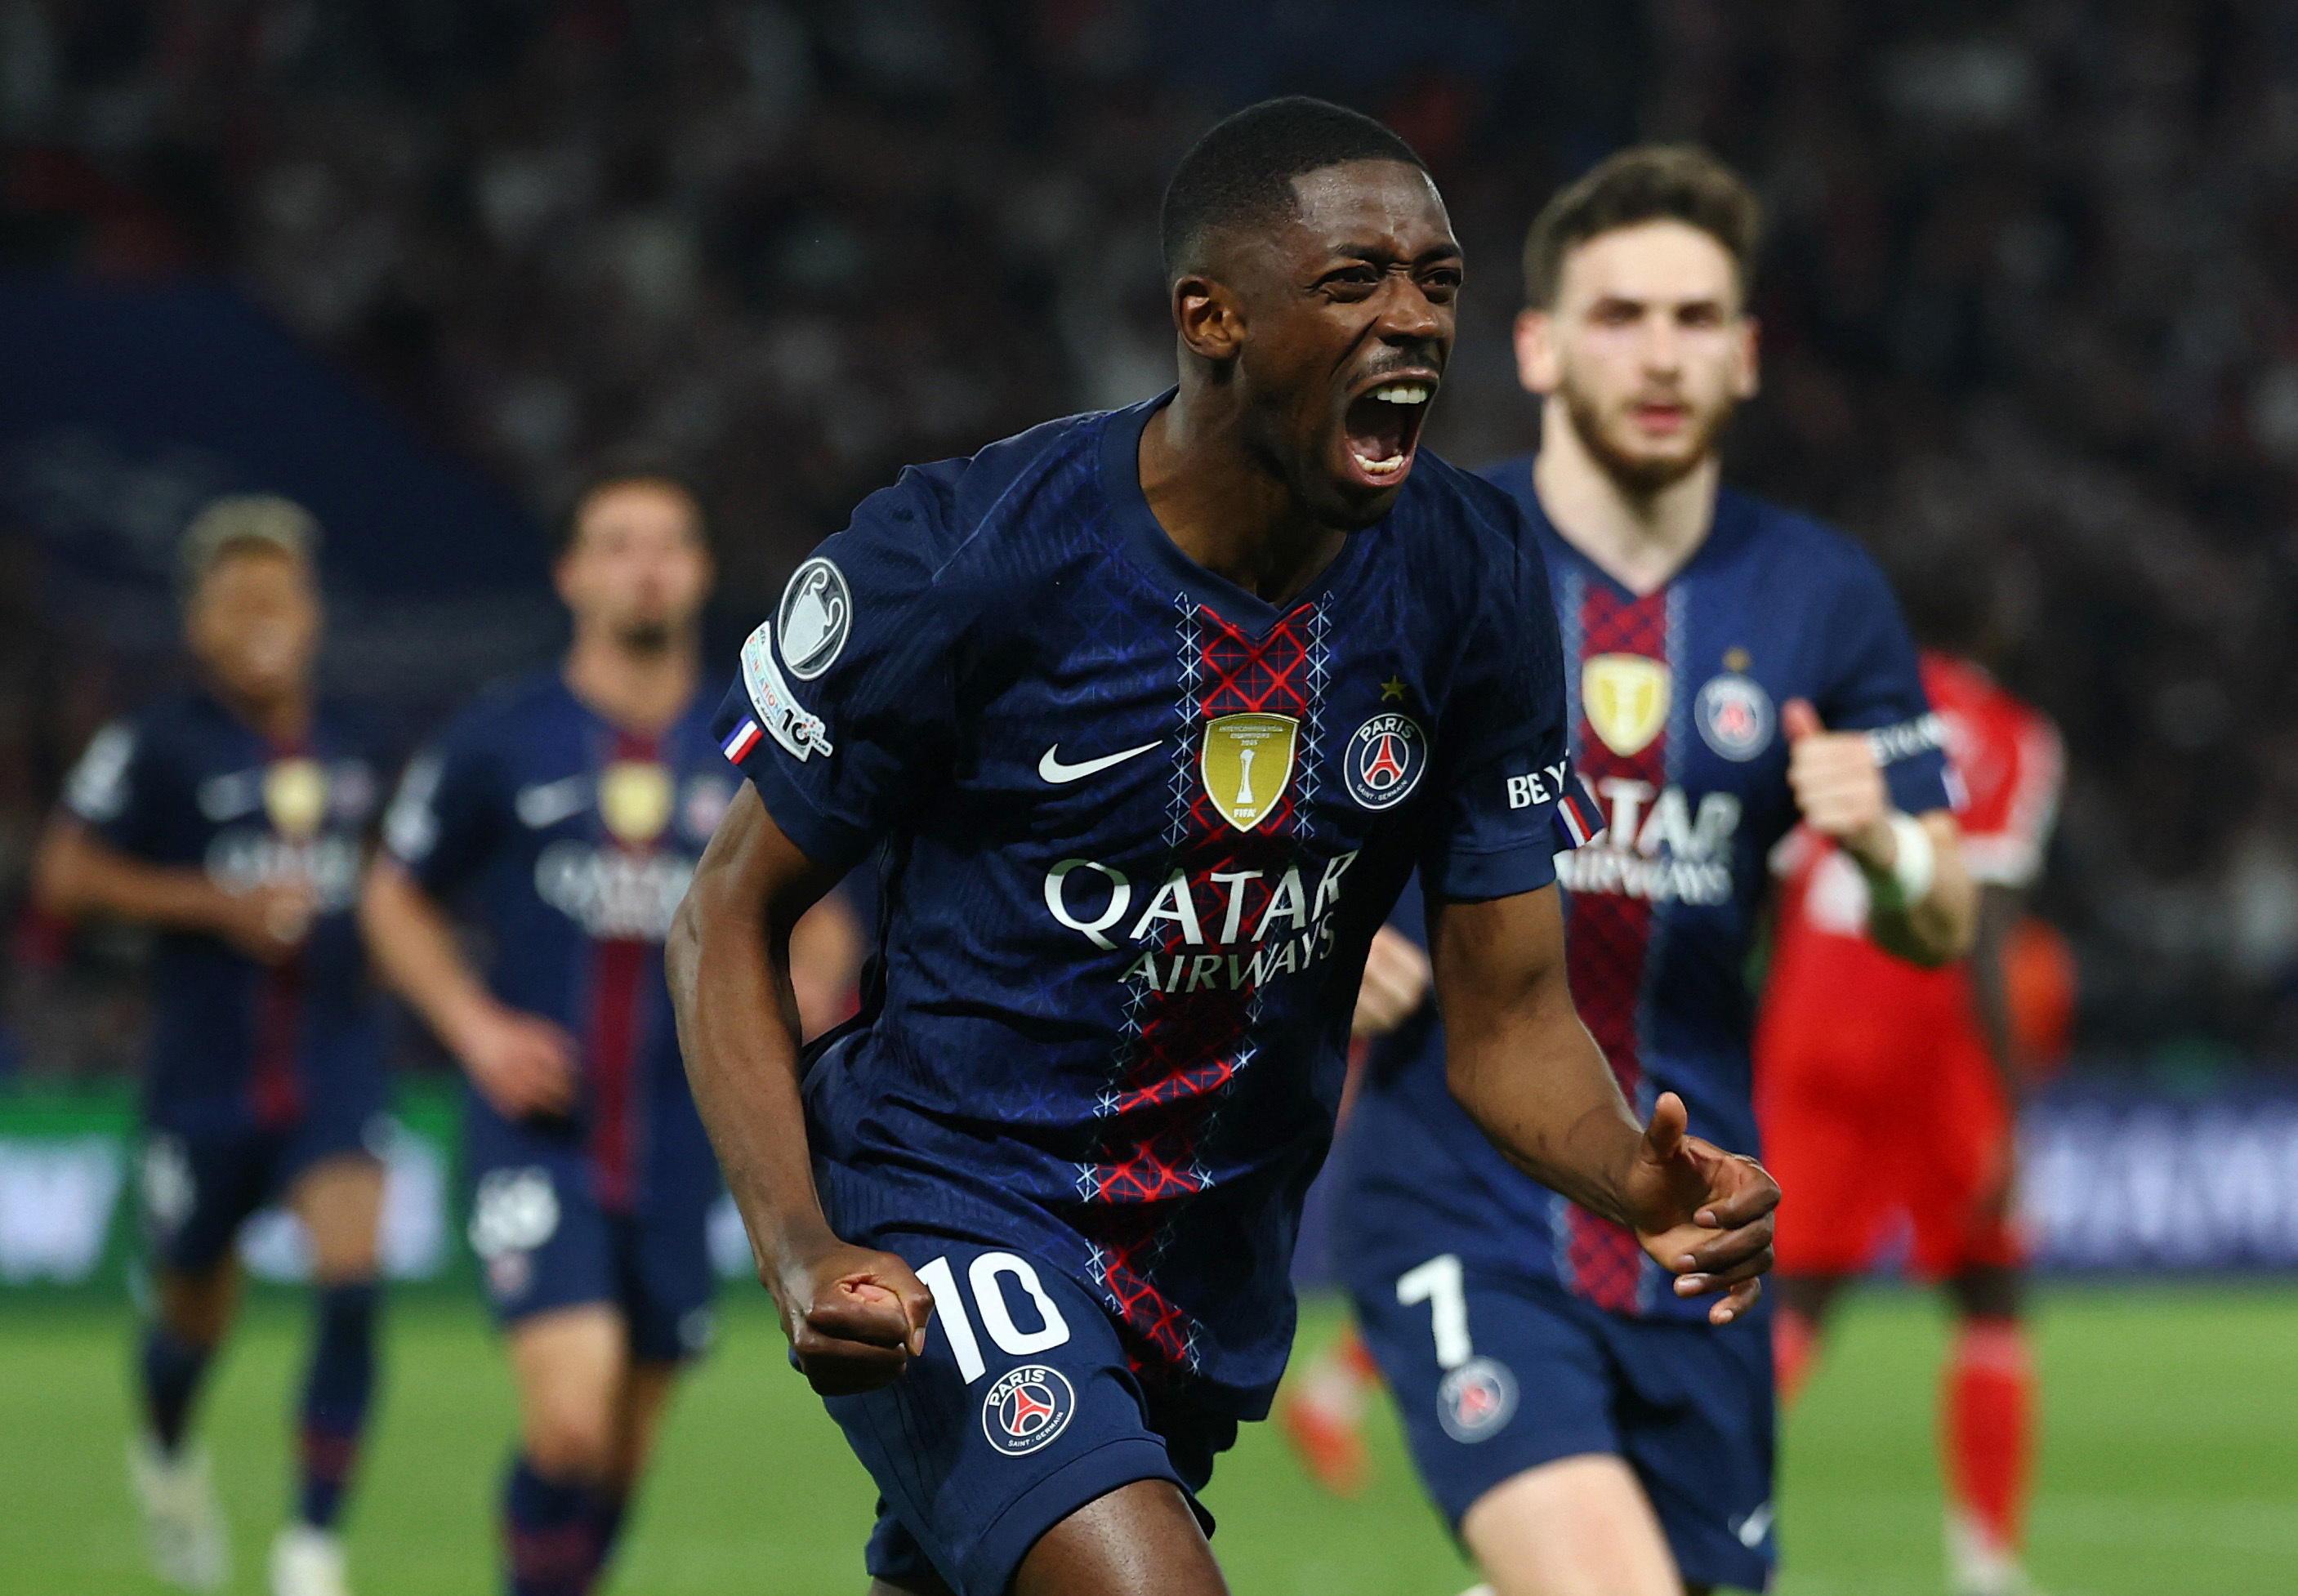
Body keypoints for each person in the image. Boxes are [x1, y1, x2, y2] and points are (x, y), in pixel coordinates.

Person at [667, 97, 1778, 1596]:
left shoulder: (1469, 576)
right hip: (951, 1198)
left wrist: (1625, 1180)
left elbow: (1509, 1018)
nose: (1412, 321)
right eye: (1354, 282)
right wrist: (799, 1238)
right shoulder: (972, 555)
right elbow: (725, 912)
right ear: (1211, 318)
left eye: (1437, 282)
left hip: (1200, 1272)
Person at [1325, 144, 1979, 1596]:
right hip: (1461, 1189)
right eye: (1619, 314)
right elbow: (1254, 791)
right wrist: (1327, 921)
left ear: (1744, 354)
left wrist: (1880, 845)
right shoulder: (1419, 552)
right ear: (1540, 344)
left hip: (1703, 1216)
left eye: (1695, 318)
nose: (1659, 351)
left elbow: (1941, 919)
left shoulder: (1825, 593)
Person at [359, 469, 730, 1596]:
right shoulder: (500, 734)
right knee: (569, 1424)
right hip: (543, 1124)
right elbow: (391, 891)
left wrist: (809, 1003)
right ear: (572, 573)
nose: (645, 564)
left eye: (667, 541)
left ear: (702, 570)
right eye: (617, 543)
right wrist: (475, 1028)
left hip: (685, 1134)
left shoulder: (746, 744)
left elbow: (818, 920)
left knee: (620, 1446)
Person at [36, 496, 390, 1596]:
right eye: (237, 599)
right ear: (198, 622)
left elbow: (383, 887)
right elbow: (64, 880)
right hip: (203, 1078)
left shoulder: (350, 748)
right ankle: (169, 1452)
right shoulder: (154, 744)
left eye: (278, 595)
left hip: (333, 1063)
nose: (262, 617)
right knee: (194, 1310)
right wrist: (213, 902)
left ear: (312, 611)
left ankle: (312, 1545)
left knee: (352, 1272)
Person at [1757, 555, 2067, 1596]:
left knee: (1791, 1291)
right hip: (1932, 1030)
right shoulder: (2015, 737)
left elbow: (1768, 882)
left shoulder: (1838, 710)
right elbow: (1983, 931)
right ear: (1994, 618)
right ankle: (1985, 1562)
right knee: (1988, 1293)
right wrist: (2010, 1115)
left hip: (1810, 1016)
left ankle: (1682, 1500)